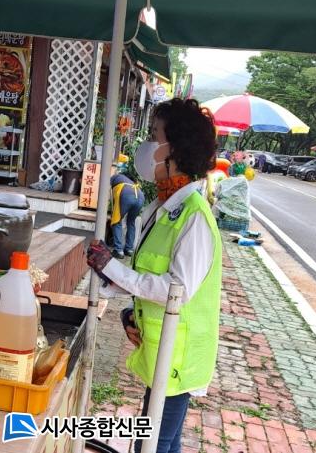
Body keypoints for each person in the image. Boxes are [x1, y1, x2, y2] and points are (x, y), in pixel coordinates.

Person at [87, 98, 222, 453]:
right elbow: (146, 274)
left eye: (154, 135)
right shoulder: (163, 207)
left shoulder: (194, 217)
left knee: (150, 445)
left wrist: (111, 267)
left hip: (178, 357)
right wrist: (128, 307)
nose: (146, 146)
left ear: (174, 148)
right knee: (163, 443)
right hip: (161, 347)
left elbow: (176, 290)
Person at [109, 158, 145, 258]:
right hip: (140, 196)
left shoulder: (118, 177)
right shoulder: (133, 183)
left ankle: (118, 250)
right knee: (131, 222)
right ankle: (129, 249)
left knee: (117, 221)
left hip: (126, 194)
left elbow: (106, 188)